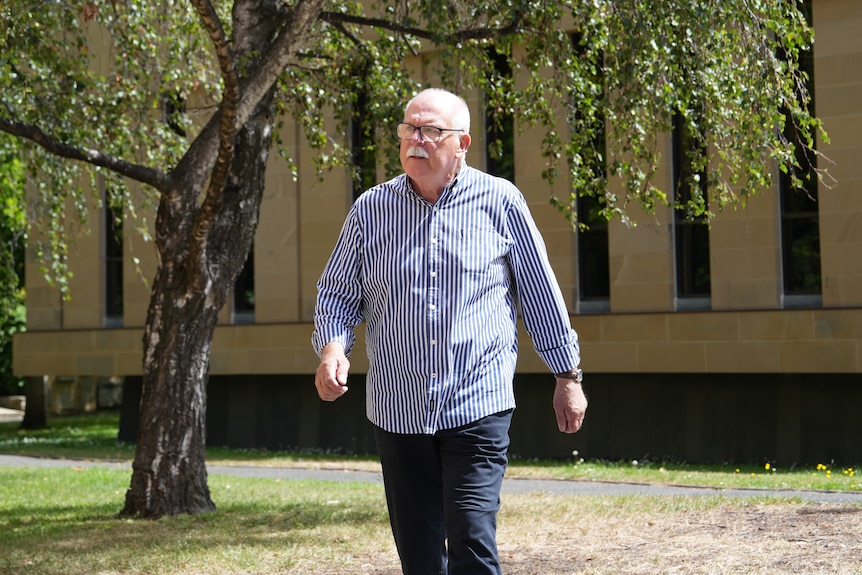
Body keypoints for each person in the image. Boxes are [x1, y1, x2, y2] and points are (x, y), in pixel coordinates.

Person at [312, 87, 587, 575]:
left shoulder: (501, 201)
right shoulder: (370, 210)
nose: (415, 139)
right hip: (398, 410)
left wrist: (568, 377)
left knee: (472, 538)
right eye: (408, 129)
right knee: (419, 555)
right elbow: (337, 292)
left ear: (462, 142)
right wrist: (334, 348)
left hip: (477, 402)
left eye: (430, 131)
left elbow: (540, 292)